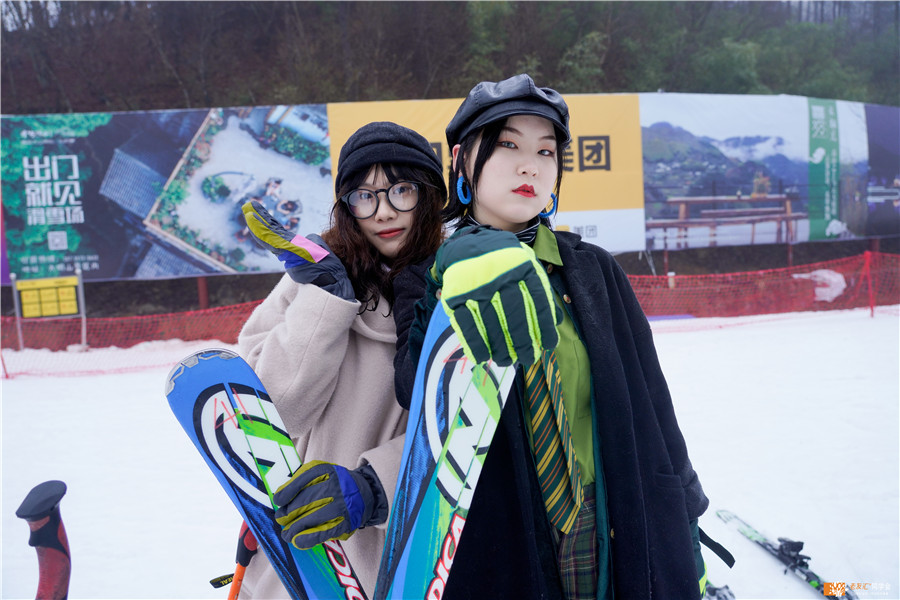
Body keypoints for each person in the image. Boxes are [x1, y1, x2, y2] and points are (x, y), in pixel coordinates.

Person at [392, 74, 710, 600]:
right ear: (462, 161)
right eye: (508, 145)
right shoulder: (426, 279)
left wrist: (687, 518)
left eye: (546, 151)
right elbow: (414, 394)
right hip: (504, 547)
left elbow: (652, 403)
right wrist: (448, 273)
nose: (530, 166)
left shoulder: (594, 271)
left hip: (610, 521)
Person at [236, 121, 447, 598]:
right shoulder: (311, 277)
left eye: (402, 190)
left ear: (429, 196)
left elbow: (466, 425)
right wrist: (325, 299)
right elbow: (269, 416)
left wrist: (376, 485)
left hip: (404, 559)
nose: (383, 211)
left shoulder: (455, 287)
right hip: (298, 556)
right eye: (364, 196)